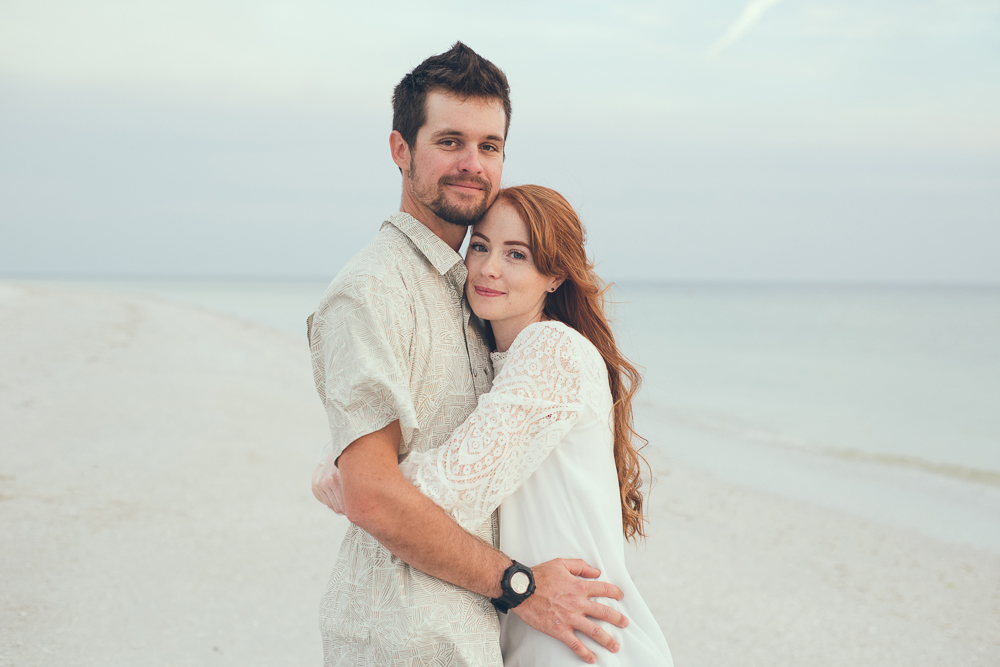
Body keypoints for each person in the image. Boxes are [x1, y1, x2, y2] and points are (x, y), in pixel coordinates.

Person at [308, 43, 627, 667]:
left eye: (489, 146)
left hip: (486, 637)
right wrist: (520, 584)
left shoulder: (474, 299)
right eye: (450, 141)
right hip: (405, 637)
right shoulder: (371, 290)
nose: (472, 164)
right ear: (401, 150)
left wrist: (345, 475)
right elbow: (374, 495)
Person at [326, 185, 674, 666]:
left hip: (583, 646)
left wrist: (353, 470)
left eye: (517, 254)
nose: (490, 267)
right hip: (546, 637)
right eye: (481, 246)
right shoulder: (504, 363)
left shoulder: (550, 350)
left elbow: (444, 494)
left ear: (554, 275)